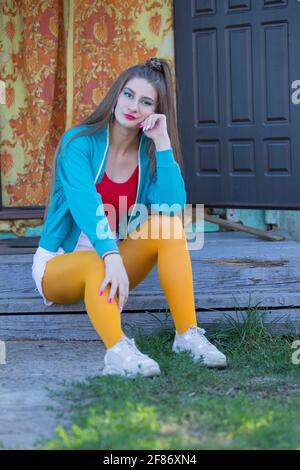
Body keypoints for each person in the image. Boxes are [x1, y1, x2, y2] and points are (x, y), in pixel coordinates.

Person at [31, 57, 227, 378]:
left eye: (146, 102)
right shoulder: (79, 143)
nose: (134, 106)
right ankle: (118, 350)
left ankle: (187, 335)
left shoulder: (146, 156)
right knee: (95, 261)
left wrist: (162, 145)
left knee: (166, 227)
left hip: (113, 263)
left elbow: (172, 207)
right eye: (129, 95)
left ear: (155, 112)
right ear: (116, 95)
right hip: (59, 264)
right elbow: (85, 204)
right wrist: (110, 253)